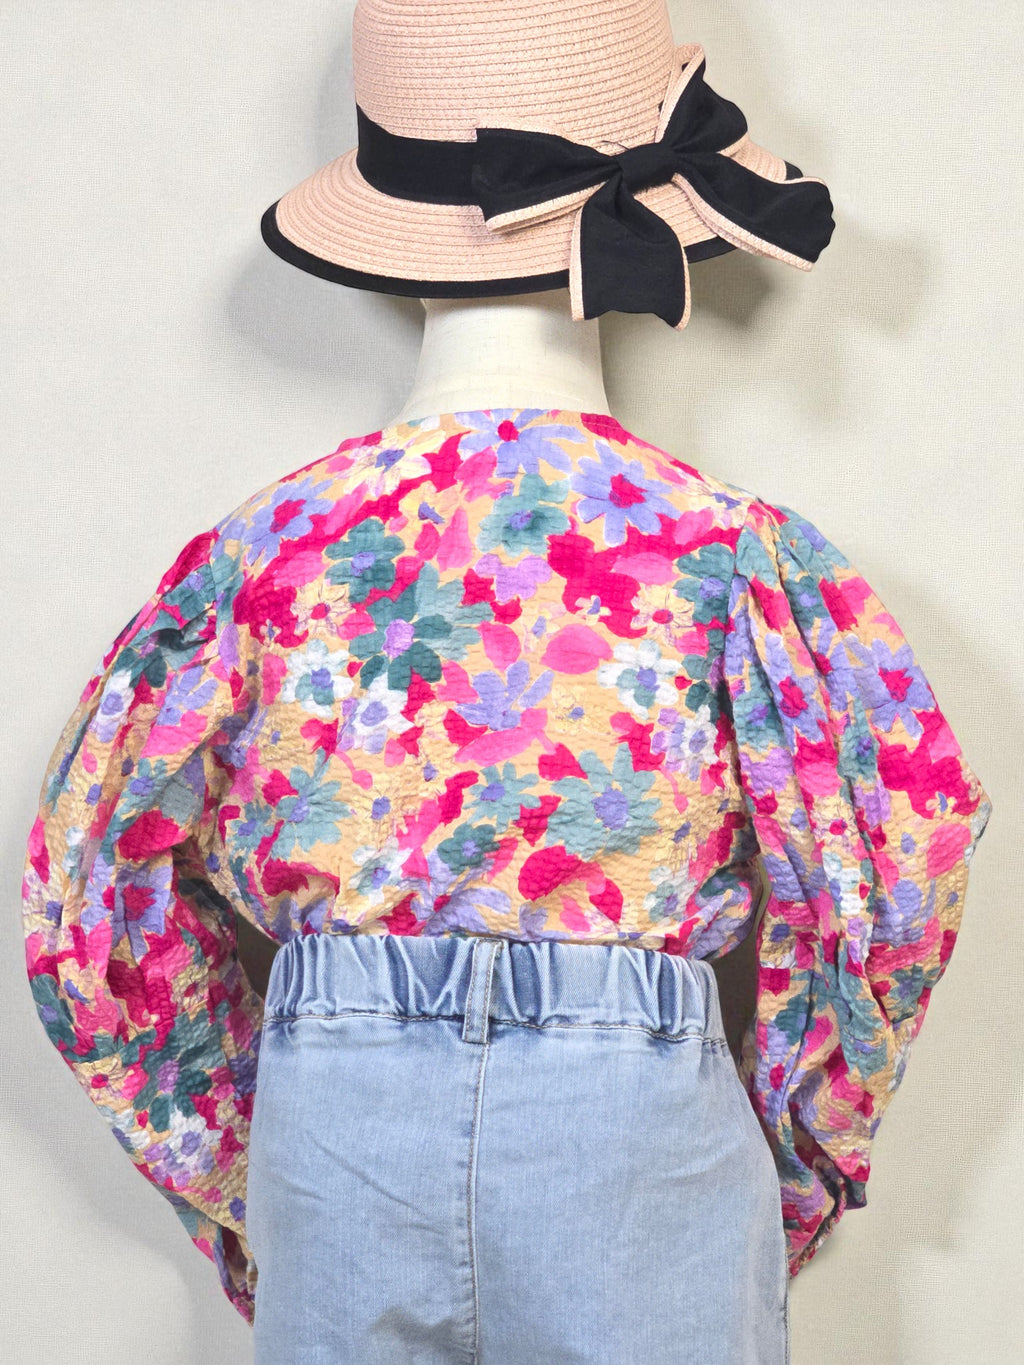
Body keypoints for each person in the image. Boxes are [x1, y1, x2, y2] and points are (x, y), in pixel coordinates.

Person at [21, 3, 991, 1362]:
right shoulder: (723, 556)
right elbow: (898, 856)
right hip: (641, 1128)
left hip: (335, 1139)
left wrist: (241, 1156)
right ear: (658, 209)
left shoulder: (263, 559)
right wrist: (800, 1141)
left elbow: (90, 897)